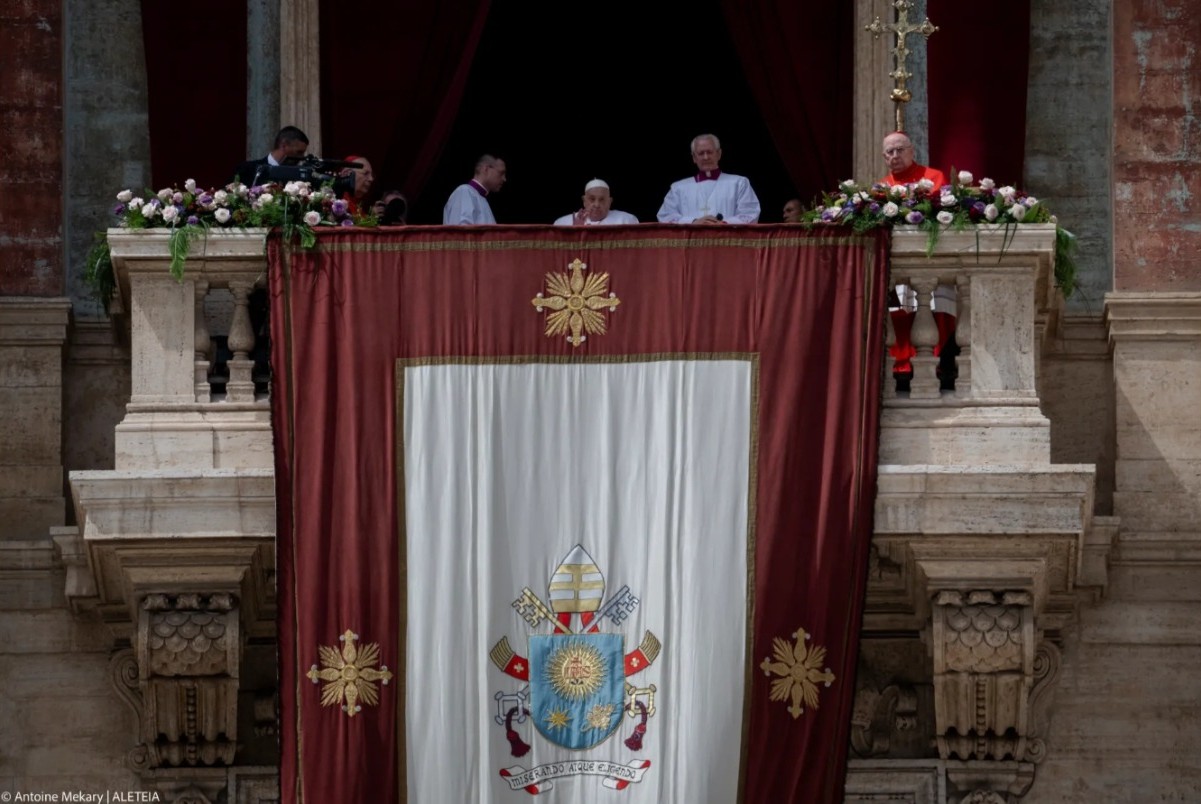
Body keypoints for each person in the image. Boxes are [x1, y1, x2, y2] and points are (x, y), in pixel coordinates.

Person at [656, 134, 760, 224]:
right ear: (694, 158)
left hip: (726, 239)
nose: (706, 157)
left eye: (709, 152)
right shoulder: (678, 188)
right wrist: (693, 221)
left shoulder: (739, 183)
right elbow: (665, 216)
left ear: (719, 154)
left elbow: (750, 213)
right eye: (701, 153)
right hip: (692, 241)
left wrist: (723, 223)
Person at [233, 126, 309, 187]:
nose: (301, 157)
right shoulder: (247, 170)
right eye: (299, 152)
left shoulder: (298, 176)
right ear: (283, 146)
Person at [443, 154, 506, 225]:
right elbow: (460, 230)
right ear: (486, 169)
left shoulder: (482, 199)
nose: (504, 179)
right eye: (501, 173)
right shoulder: (464, 192)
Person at [878, 131, 949, 189]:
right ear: (885, 157)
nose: (895, 156)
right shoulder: (881, 187)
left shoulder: (934, 177)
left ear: (911, 151)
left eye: (900, 150)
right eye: (890, 151)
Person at [553, 179, 639, 226]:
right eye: (592, 199)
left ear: (610, 202)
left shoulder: (626, 221)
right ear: (584, 201)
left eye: (602, 199)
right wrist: (575, 231)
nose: (597, 205)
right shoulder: (563, 223)